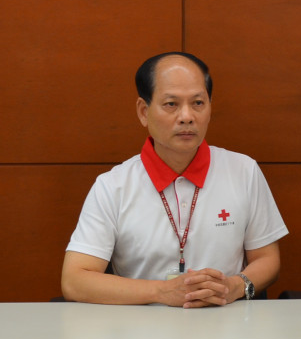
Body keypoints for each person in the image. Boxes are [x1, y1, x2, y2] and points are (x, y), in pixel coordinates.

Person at [62, 52, 288, 307]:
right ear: (143, 112)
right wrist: (162, 292)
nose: (187, 116)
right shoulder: (113, 186)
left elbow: (268, 260)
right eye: (171, 104)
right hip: (141, 335)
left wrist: (233, 287)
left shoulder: (243, 171)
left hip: (227, 328)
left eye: (198, 103)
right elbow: (74, 280)